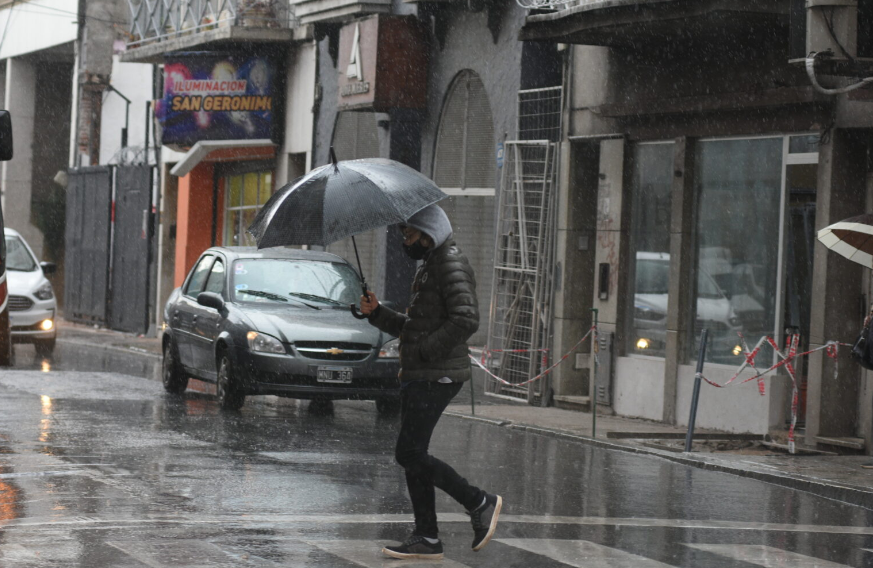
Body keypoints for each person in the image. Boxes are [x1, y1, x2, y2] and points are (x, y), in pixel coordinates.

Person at [360, 204, 502, 560]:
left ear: (429, 233)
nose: (406, 241)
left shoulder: (449, 263)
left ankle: (478, 501)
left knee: (408, 452)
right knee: (414, 455)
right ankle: (427, 537)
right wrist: (377, 313)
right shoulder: (431, 267)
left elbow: (467, 318)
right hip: (421, 373)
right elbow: (414, 328)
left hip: (436, 374)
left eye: (410, 234)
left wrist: (426, 351)